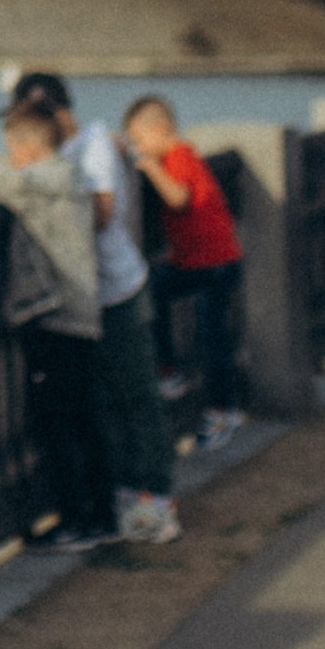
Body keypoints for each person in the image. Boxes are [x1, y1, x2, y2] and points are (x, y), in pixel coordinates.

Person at [0, 102, 148, 547]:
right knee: (84, 419)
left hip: (56, 316)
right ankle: (101, 516)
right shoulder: (68, 176)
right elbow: (9, 177)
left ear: (25, 147)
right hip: (80, 315)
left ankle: (78, 520)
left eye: (10, 147)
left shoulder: (42, 181)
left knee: (60, 424)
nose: (7, 155)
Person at [5, 70, 183, 527]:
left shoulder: (95, 146)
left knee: (137, 394)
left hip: (118, 289)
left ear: (58, 112)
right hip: (80, 300)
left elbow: (102, 215)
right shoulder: (58, 156)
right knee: (101, 402)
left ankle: (158, 493)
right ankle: (124, 491)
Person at [120, 97, 246, 443]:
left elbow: (178, 198)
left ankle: (222, 412)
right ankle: (169, 370)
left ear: (160, 130)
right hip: (199, 262)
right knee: (154, 291)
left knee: (212, 341)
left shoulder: (179, 157)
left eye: (140, 140)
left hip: (214, 264)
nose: (140, 149)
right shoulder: (181, 155)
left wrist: (149, 167)